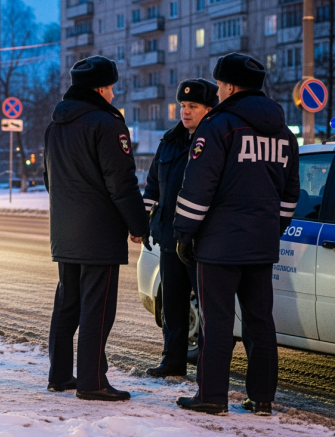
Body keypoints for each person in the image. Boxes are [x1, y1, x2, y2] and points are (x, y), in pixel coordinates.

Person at [172, 53, 300, 416]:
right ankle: (262, 398)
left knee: (217, 323)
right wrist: (270, 229)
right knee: (261, 324)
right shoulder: (284, 133)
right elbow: (290, 195)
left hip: (218, 248)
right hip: (261, 246)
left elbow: (198, 189)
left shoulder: (218, 126)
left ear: (228, 87)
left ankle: (211, 396)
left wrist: (184, 235)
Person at [43, 56, 149, 402]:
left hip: (65, 230)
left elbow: (49, 179)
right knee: (97, 309)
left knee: (67, 304)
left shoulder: (55, 124)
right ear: (101, 88)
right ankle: (92, 382)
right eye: (112, 87)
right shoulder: (106, 124)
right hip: (99, 232)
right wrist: (138, 223)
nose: (114, 94)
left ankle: (60, 375)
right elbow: (121, 181)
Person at [143, 79, 218, 378]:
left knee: (208, 307)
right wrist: (146, 220)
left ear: (209, 109)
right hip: (169, 237)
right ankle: (172, 360)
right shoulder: (170, 140)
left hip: (201, 241)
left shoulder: (214, 141)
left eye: (193, 106)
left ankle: (207, 366)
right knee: (172, 305)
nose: (185, 112)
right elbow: (152, 185)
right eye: (183, 106)